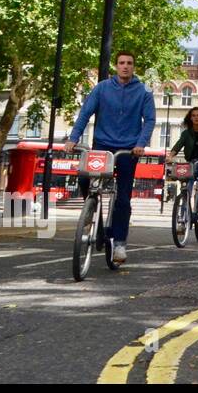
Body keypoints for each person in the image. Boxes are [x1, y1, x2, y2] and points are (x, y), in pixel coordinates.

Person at [65, 50, 157, 264]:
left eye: (129, 63)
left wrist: (140, 144)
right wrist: (73, 138)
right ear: (116, 66)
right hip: (102, 145)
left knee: (123, 198)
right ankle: (90, 210)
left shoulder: (144, 91)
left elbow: (150, 120)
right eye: (121, 62)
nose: (125, 66)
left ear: (134, 67)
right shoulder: (102, 88)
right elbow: (85, 113)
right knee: (84, 176)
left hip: (127, 149)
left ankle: (119, 244)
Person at [168, 107, 198, 223]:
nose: (196, 117)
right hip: (192, 164)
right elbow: (178, 146)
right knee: (187, 187)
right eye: (193, 115)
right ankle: (183, 214)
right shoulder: (186, 133)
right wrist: (170, 156)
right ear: (190, 118)